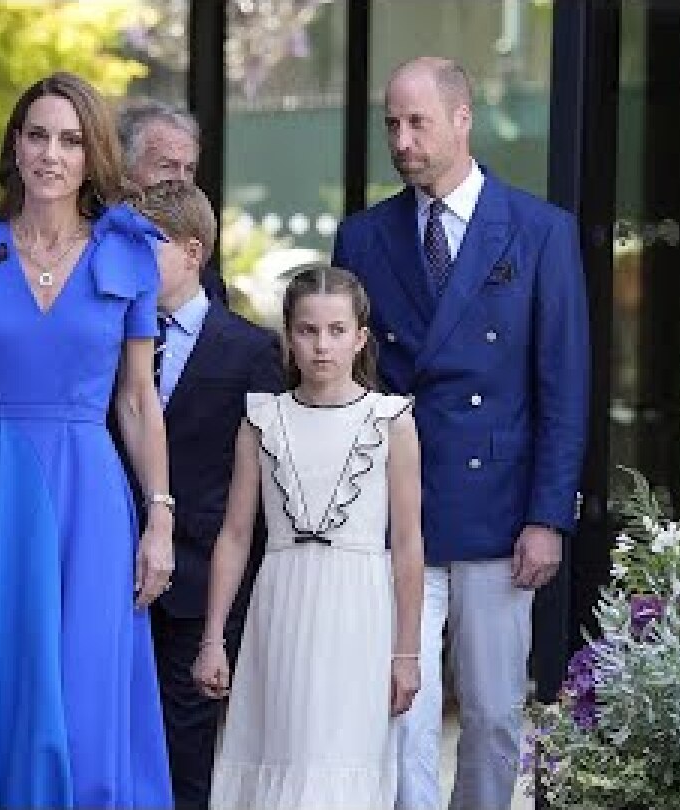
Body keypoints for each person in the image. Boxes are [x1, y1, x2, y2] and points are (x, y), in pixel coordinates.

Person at [332, 56, 590, 810]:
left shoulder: (541, 231)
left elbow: (564, 388)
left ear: (462, 120)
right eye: (392, 123)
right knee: (399, 708)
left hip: (500, 515)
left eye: (417, 122)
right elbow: (353, 384)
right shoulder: (363, 235)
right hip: (397, 511)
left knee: (491, 715)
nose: (401, 140)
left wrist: (547, 516)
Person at [0, 71, 175, 809]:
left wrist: (160, 516)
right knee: (11, 694)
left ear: (91, 155)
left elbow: (137, 397)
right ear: (16, 147)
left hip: (94, 497)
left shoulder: (127, 251)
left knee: (89, 704)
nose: (51, 154)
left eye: (68, 140)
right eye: (37, 136)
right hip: (2, 489)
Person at [194, 264, 424, 809]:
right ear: (288, 338)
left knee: (343, 766)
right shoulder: (262, 419)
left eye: (337, 330)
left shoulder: (391, 421)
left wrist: (407, 652)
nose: (322, 345)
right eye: (308, 330)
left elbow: (409, 543)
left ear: (360, 337)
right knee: (281, 758)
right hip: (281, 605)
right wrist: (212, 639)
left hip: (361, 614)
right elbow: (234, 534)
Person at [131, 179, 283, 810]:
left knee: (186, 753)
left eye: (151, 247)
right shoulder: (116, 336)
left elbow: (268, 482)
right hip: (117, 568)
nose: (134, 263)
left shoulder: (251, 351)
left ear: (193, 252)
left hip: (202, 584)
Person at [117, 98, 227, 304]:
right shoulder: (86, 254)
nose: (181, 180)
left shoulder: (207, 287)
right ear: (124, 170)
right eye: (167, 166)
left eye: (190, 169)